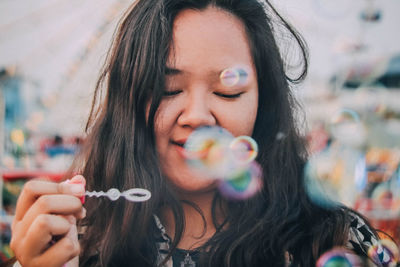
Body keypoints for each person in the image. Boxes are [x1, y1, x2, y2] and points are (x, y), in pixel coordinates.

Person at [8, 0, 389, 266]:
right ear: (129, 102)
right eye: (168, 89)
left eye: (228, 91)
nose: (197, 116)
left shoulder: (336, 238)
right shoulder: (79, 243)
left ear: (264, 101)